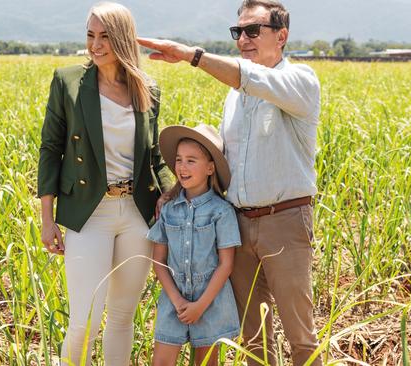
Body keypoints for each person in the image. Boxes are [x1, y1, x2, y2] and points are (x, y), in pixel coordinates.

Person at [138, 1, 322, 365]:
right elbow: (221, 162)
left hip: (284, 222)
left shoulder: (300, 80)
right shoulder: (234, 98)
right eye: (238, 32)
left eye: (253, 31)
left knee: (300, 334)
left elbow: (252, 78)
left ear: (281, 36)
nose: (243, 39)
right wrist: (176, 191)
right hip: (238, 224)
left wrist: (191, 56)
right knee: (253, 334)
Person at [37, 2, 173, 365]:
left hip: (137, 213)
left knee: (123, 316)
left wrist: (173, 191)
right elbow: (50, 149)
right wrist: (47, 219)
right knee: (85, 319)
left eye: (105, 37)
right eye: (90, 35)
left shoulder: (147, 89)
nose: (95, 45)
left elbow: (154, 156)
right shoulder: (68, 82)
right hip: (88, 211)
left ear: (123, 39)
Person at [148, 124, 241, 366]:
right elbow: (158, 262)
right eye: (179, 160)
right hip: (173, 298)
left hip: (210, 300)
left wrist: (200, 305)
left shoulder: (221, 211)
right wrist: (178, 301)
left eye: (191, 160)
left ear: (211, 168)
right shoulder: (169, 210)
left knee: (206, 363)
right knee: (161, 362)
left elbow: (226, 264)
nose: (182, 167)